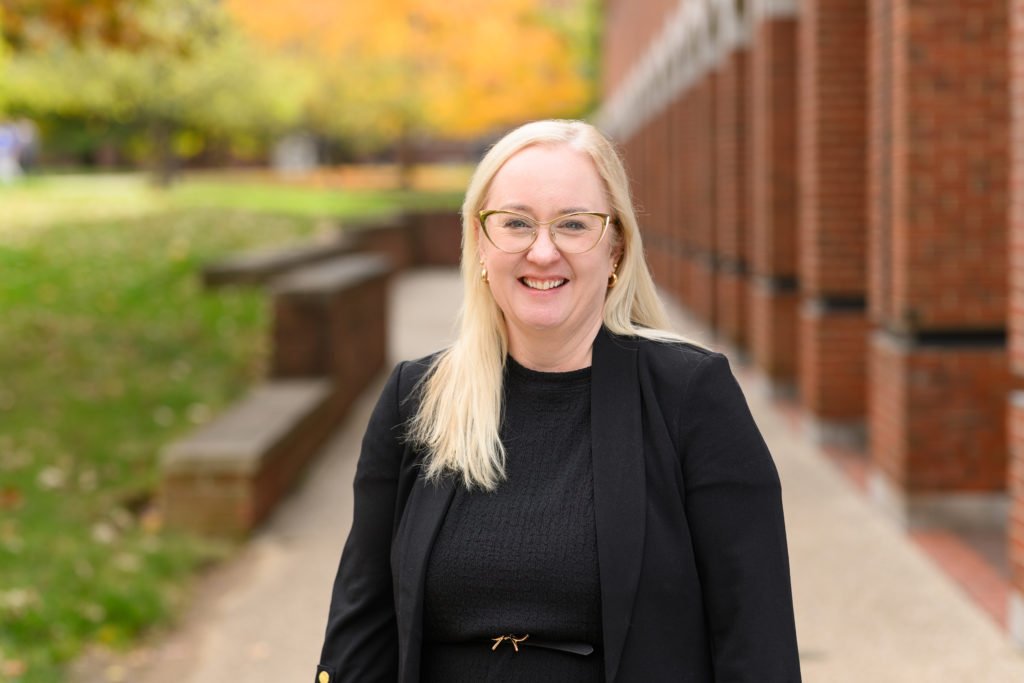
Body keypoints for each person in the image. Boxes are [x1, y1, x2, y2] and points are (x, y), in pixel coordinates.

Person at [315, 119, 801, 683]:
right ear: (479, 244)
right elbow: (360, 630)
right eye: (516, 223)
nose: (542, 252)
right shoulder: (416, 399)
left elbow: (756, 641)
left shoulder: (692, 398)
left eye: (573, 224)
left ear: (615, 247)